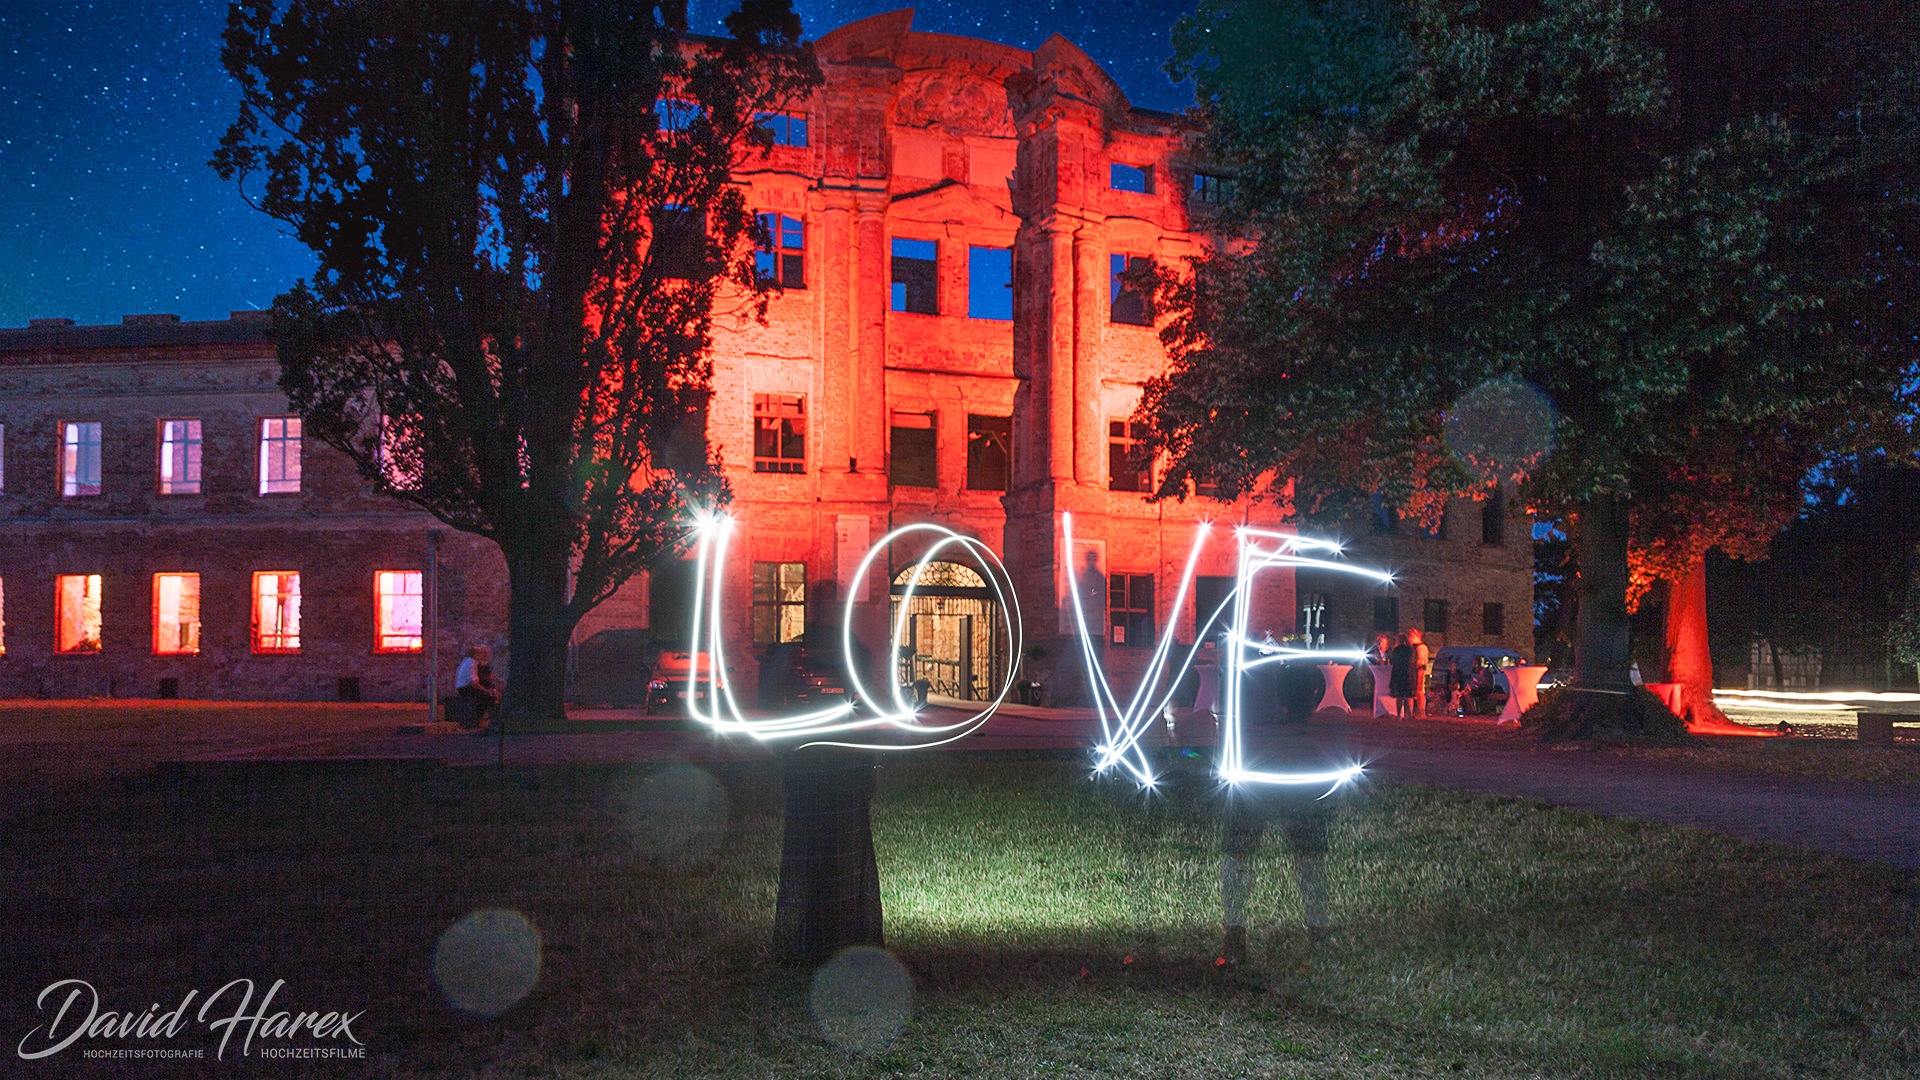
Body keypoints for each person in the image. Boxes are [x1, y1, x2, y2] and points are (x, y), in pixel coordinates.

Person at [455, 645, 502, 730]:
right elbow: (474, 683)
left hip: (464, 687)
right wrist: (487, 691)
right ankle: (490, 722)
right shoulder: (472, 663)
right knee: (490, 698)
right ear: (475, 654)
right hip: (466, 688)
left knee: (485, 698)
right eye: (480, 653)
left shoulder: (469, 661)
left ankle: (478, 721)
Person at [1388, 632, 1416, 720]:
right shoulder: (1410, 650)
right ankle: (1410, 715)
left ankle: (1399, 714)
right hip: (1408, 674)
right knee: (1409, 695)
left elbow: (1392, 661)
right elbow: (1413, 661)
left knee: (1399, 696)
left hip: (1398, 673)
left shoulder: (1397, 650)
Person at [1407, 627, 1432, 716]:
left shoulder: (1421, 647)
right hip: (1414, 670)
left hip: (1419, 670)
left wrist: (1416, 664)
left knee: (1419, 690)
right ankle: (1417, 711)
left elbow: (1423, 660)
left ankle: (1421, 711)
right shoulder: (1413, 648)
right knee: (1416, 691)